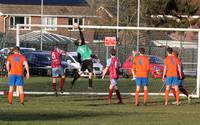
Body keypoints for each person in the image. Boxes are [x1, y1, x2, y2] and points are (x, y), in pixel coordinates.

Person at [71, 24, 94, 89]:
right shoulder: (83, 44)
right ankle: (90, 86)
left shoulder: (78, 50)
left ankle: (73, 82)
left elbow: (78, 58)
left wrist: (81, 63)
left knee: (81, 72)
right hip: (89, 60)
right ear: (79, 43)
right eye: (79, 41)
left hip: (84, 61)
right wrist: (79, 28)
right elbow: (82, 35)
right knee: (90, 73)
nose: (80, 40)